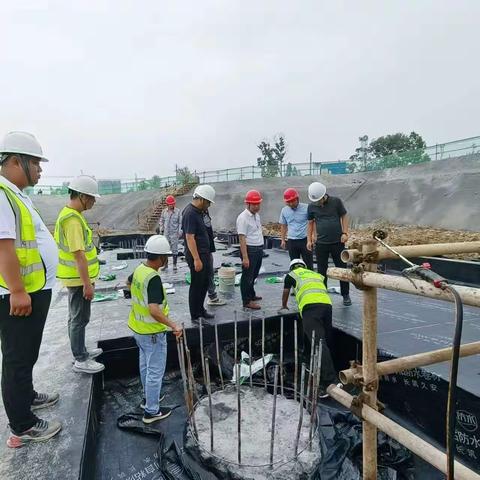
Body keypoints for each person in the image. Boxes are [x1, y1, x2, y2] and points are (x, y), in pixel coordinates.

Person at [0, 131, 62, 448]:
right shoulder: (1, 194)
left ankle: (27, 398)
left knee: (27, 354)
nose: (39, 170)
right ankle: (22, 424)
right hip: (20, 293)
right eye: (35, 163)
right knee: (17, 359)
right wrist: (17, 291)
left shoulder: (16, 194)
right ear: (14, 161)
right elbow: (4, 247)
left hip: (34, 288)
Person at [128, 235, 182, 424]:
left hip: (138, 329)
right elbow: (153, 309)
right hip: (151, 333)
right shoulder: (153, 278)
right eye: (165, 257)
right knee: (155, 371)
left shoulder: (139, 270)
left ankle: (147, 399)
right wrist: (173, 325)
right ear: (161, 258)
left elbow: (129, 284)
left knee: (145, 366)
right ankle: (151, 411)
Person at [54, 175, 104, 374]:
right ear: (82, 196)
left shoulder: (71, 215)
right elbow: (79, 255)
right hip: (78, 278)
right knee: (79, 318)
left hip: (76, 277)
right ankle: (80, 358)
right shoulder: (72, 220)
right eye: (92, 198)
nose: (93, 202)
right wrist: (87, 284)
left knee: (76, 317)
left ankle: (80, 351)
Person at [279, 259, 337, 396]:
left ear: (291, 267)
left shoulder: (291, 275)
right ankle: (308, 358)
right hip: (326, 305)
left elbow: (286, 292)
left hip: (310, 307)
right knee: (324, 339)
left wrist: (284, 305)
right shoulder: (316, 274)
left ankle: (330, 381)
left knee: (318, 343)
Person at [306, 182, 352, 306]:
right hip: (321, 244)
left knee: (342, 268)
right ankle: (322, 294)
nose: (317, 202)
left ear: (324, 195)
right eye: (315, 200)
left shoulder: (336, 202)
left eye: (319, 200)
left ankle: (345, 294)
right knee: (321, 270)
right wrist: (309, 240)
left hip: (337, 242)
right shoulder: (311, 207)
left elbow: (344, 216)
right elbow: (310, 223)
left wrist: (345, 233)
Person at [182, 185, 216, 324]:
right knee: (196, 285)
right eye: (208, 202)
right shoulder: (190, 213)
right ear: (201, 200)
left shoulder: (200, 212)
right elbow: (190, 237)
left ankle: (200, 310)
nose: (209, 205)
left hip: (204, 253)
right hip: (197, 255)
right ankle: (195, 315)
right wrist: (196, 259)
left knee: (204, 283)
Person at [236, 190, 264, 310]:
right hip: (250, 249)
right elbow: (242, 238)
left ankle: (251, 294)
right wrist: (245, 257)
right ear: (248, 204)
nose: (257, 206)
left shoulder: (256, 216)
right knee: (247, 276)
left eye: (258, 204)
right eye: (254, 204)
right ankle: (246, 300)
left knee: (254, 274)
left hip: (258, 248)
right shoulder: (242, 218)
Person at [279, 187, 313, 269]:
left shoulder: (307, 208)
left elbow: (312, 223)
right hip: (292, 241)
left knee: (308, 264)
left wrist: (312, 237)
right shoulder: (284, 211)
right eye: (288, 202)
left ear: (297, 199)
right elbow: (283, 226)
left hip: (305, 240)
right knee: (294, 265)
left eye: (292, 201)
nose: (290, 204)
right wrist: (283, 240)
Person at [204, 209, 226, 306]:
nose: (209, 205)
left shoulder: (204, 212)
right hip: (202, 251)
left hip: (207, 249)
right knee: (206, 275)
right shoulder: (193, 213)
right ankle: (211, 297)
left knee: (210, 273)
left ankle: (212, 296)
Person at [157, 195, 182, 271]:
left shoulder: (178, 212)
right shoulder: (164, 212)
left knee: (175, 250)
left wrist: (179, 232)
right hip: (166, 234)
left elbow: (180, 223)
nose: (172, 205)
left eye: (173, 203)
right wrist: (161, 228)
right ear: (167, 204)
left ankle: (174, 264)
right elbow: (161, 220)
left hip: (174, 234)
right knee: (165, 250)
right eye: (170, 204)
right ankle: (166, 265)